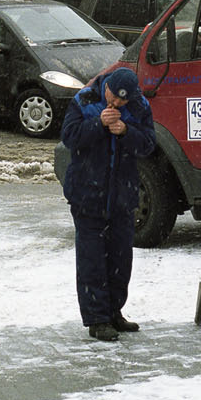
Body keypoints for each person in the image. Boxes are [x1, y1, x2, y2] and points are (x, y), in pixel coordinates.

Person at [60, 64, 155, 340]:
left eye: (121, 101)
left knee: (120, 258)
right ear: (107, 87)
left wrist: (126, 131)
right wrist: (98, 125)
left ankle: (114, 311)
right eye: (113, 97)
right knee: (92, 260)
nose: (115, 103)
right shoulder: (85, 99)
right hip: (87, 194)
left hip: (122, 196)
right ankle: (97, 319)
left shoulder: (139, 106)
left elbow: (148, 144)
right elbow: (70, 137)